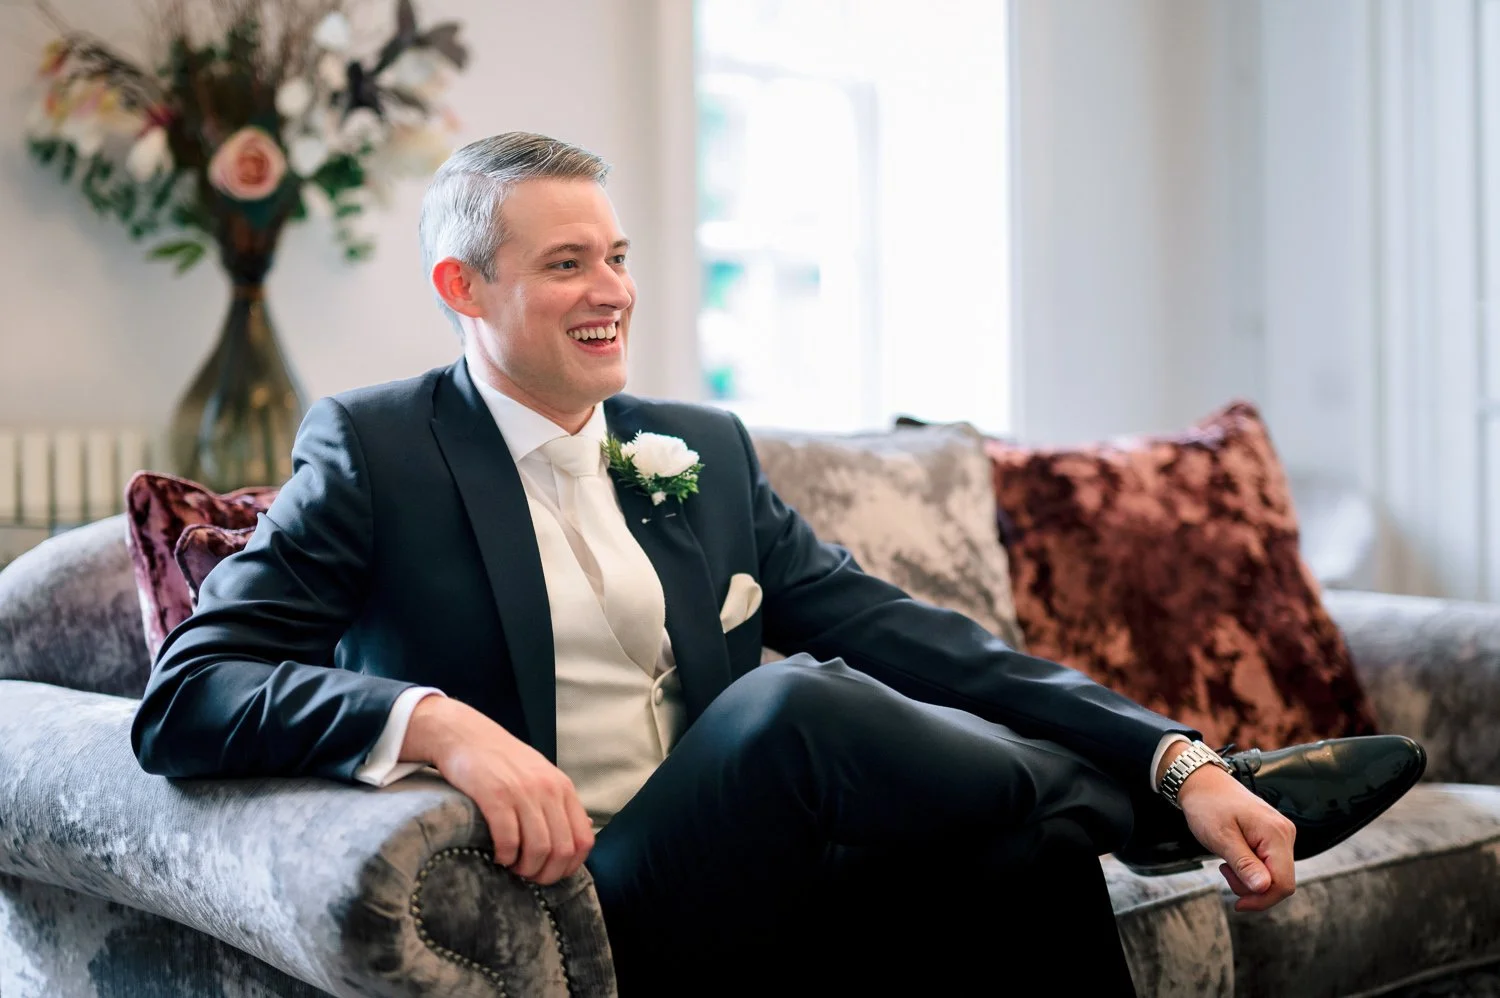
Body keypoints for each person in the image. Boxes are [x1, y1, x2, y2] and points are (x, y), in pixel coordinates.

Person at [132, 132, 1423, 996]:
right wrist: (436, 722)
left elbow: (908, 631)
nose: (612, 289)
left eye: (619, 256)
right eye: (567, 262)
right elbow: (192, 691)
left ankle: (1146, 795)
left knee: (1020, 853)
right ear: (463, 287)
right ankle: (1150, 807)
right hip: (596, 887)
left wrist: (1164, 742)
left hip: (774, 862)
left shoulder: (694, 446)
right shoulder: (378, 449)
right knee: (793, 705)